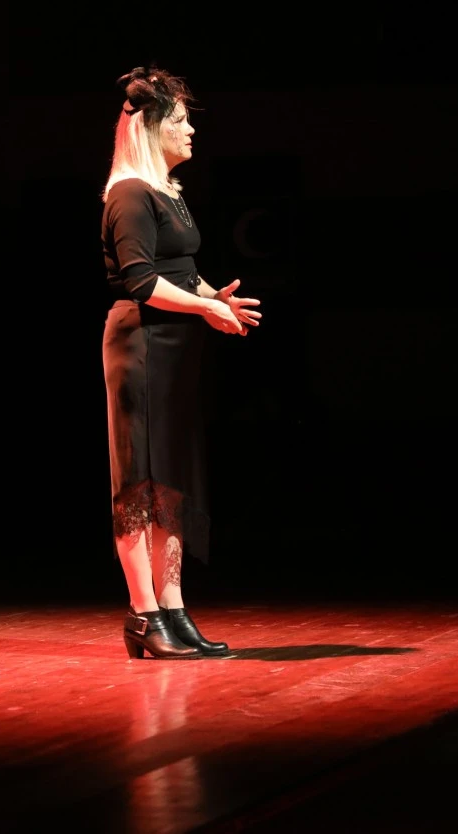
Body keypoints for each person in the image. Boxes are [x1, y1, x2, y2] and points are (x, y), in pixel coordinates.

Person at [100, 66, 261, 660]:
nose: (191, 130)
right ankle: (143, 613)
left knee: (170, 479)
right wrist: (204, 308)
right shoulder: (129, 194)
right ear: (151, 128)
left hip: (174, 349)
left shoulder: (168, 192)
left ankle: (172, 609)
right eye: (181, 120)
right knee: (139, 483)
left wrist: (215, 299)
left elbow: (181, 274)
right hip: (141, 344)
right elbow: (142, 281)